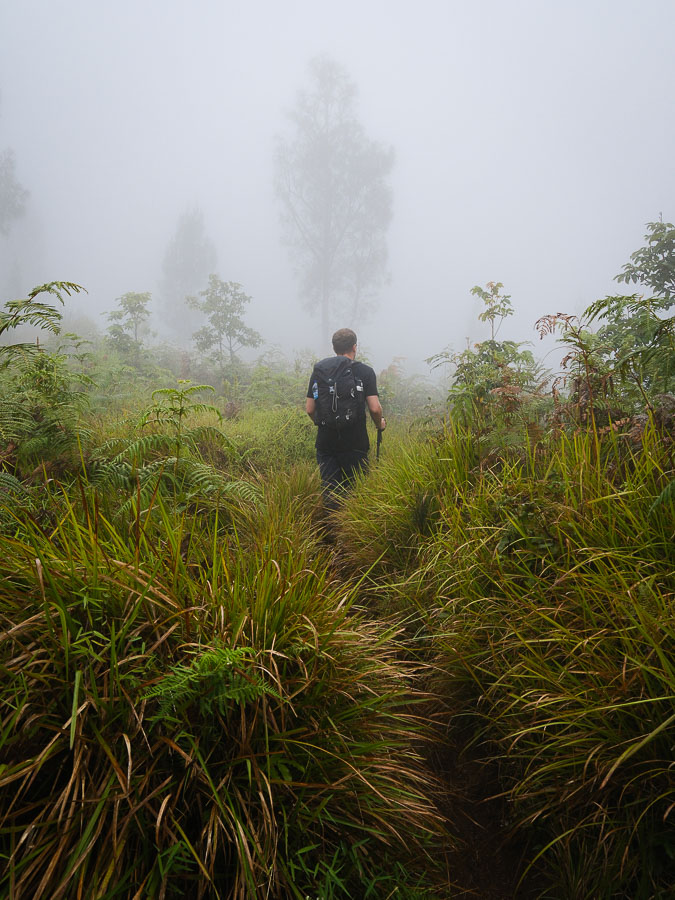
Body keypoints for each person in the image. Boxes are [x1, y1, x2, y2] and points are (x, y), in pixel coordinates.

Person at [306, 328, 386, 509]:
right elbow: (374, 408)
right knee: (356, 492)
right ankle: (351, 534)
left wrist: (324, 423)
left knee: (331, 492)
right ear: (354, 347)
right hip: (355, 443)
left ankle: (331, 532)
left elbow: (310, 409)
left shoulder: (319, 371)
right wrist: (379, 425)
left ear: (334, 348)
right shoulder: (365, 372)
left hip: (326, 443)